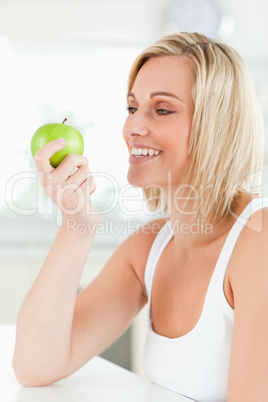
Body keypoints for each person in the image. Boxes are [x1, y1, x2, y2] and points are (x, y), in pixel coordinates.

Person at [13, 31, 268, 402]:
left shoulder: (257, 240)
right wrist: (77, 225)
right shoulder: (152, 245)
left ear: (216, 126)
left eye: (161, 110)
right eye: (132, 108)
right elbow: (35, 366)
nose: (133, 127)